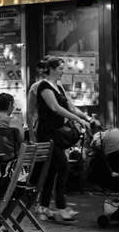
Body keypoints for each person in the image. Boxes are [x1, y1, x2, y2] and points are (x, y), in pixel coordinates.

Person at [34, 56, 93, 222]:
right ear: (51, 69)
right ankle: (61, 207)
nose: (62, 72)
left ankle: (43, 207)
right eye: (60, 68)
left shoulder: (58, 86)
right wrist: (77, 120)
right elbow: (55, 107)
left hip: (56, 134)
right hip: (48, 135)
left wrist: (86, 118)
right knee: (63, 167)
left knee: (52, 170)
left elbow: (70, 106)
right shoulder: (44, 86)